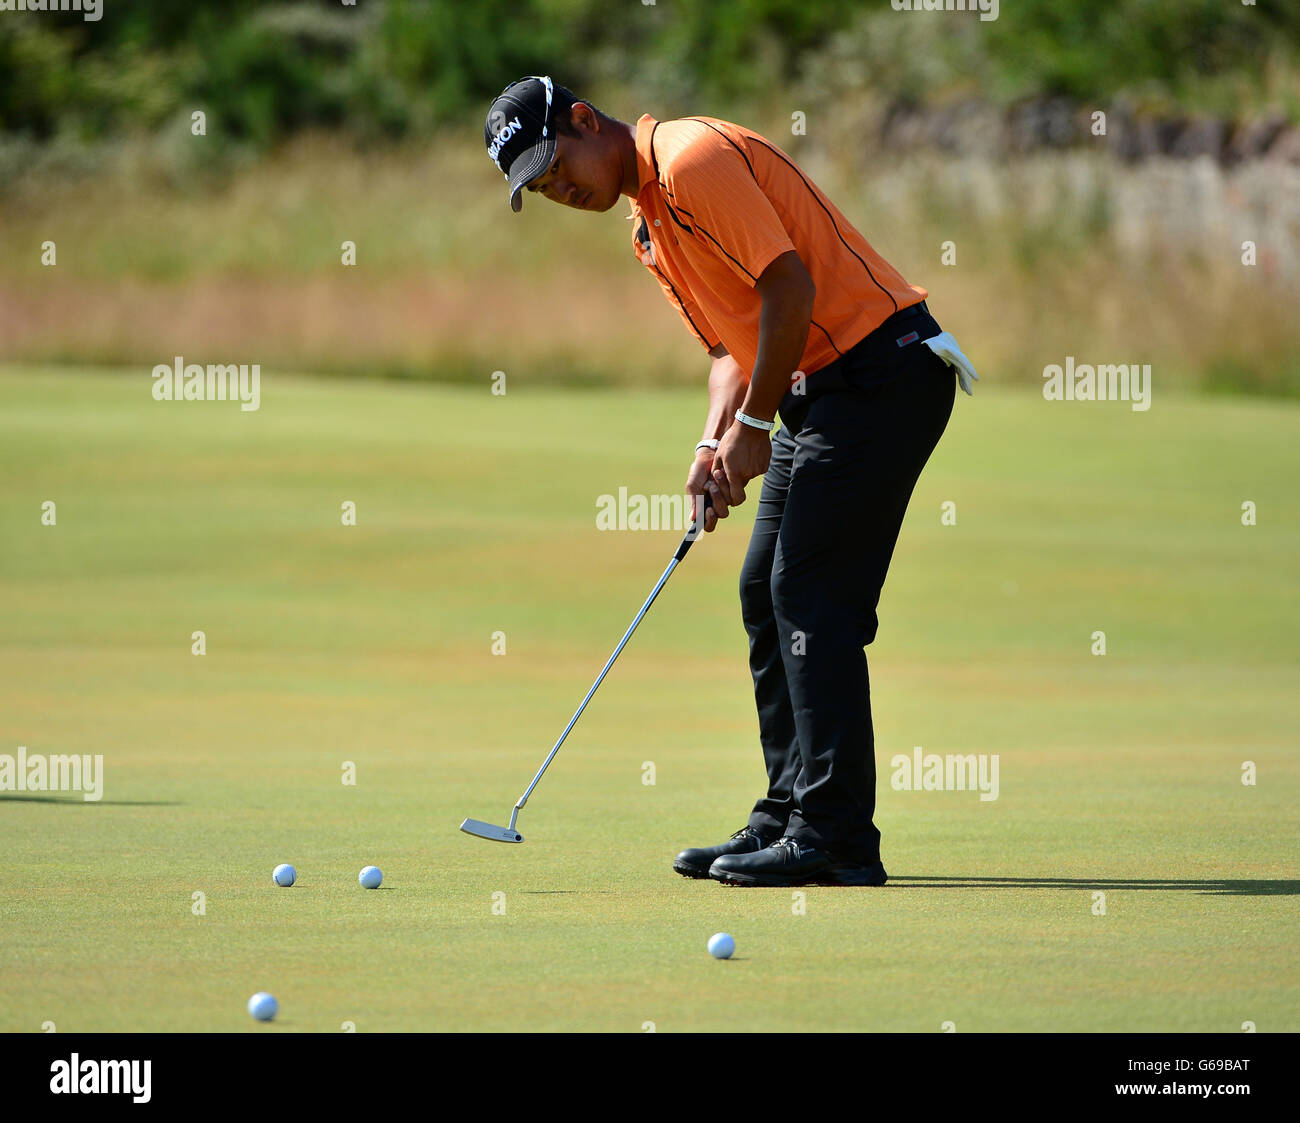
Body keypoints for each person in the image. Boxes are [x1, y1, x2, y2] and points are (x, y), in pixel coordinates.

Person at [484, 76, 977, 887]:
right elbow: (730, 349)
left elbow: (790, 288)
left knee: (813, 593)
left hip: (882, 373)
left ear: (584, 120)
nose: (559, 190)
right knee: (765, 588)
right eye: (539, 188)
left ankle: (838, 835)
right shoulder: (648, 228)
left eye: (556, 165)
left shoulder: (691, 159)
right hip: (822, 392)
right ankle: (791, 812)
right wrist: (715, 442)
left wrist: (753, 429)